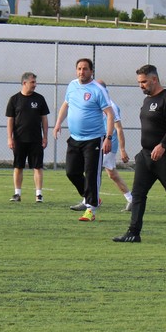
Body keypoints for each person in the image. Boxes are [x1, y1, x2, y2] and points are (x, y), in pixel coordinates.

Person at [113, 65, 166, 244]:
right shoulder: (147, 100)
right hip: (146, 156)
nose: (141, 85)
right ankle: (133, 232)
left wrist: (162, 145)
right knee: (138, 194)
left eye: (144, 82)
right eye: (139, 82)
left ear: (154, 79)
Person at [51, 57, 115, 222]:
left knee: (92, 174)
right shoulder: (72, 86)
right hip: (75, 138)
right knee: (71, 172)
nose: (82, 71)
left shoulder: (97, 89)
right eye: (79, 68)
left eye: (85, 69)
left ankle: (90, 209)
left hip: (94, 139)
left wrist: (108, 137)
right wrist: (58, 124)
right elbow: (66, 105)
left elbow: (110, 114)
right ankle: (90, 197)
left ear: (91, 71)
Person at [5, 72, 51, 203]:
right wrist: (10, 138)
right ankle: (17, 194)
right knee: (18, 166)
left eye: (35, 82)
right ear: (24, 83)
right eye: (32, 82)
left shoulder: (40, 99)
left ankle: (39, 195)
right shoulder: (14, 99)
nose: (35, 85)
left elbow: (44, 119)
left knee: (38, 167)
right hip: (19, 139)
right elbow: (10, 120)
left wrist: (45, 137)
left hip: (36, 139)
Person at [98, 81, 133, 211]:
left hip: (108, 144)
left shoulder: (111, 106)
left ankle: (90, 199)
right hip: (99, 142)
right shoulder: (98, 104)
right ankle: (131, 199)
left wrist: (122, 150)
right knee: (111, 174)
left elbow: (118, 128)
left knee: (94, 170)